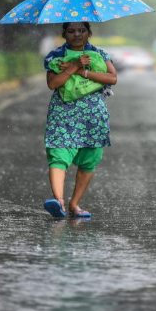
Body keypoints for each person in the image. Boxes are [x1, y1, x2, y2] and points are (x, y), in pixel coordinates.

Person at [42, 22, 118, 219]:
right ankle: (58, 201)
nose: (77, 34)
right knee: (58, 153)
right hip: (63, 113)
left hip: (93, 115)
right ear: (64, 34)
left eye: (82, 30)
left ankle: (75, 204)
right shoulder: (55, 56)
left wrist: (83, 71)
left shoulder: (99, 54)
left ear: (89, 33)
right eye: (71, 31)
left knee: (89, 159)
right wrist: (74, 66)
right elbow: (52, 84)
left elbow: (112, 78)